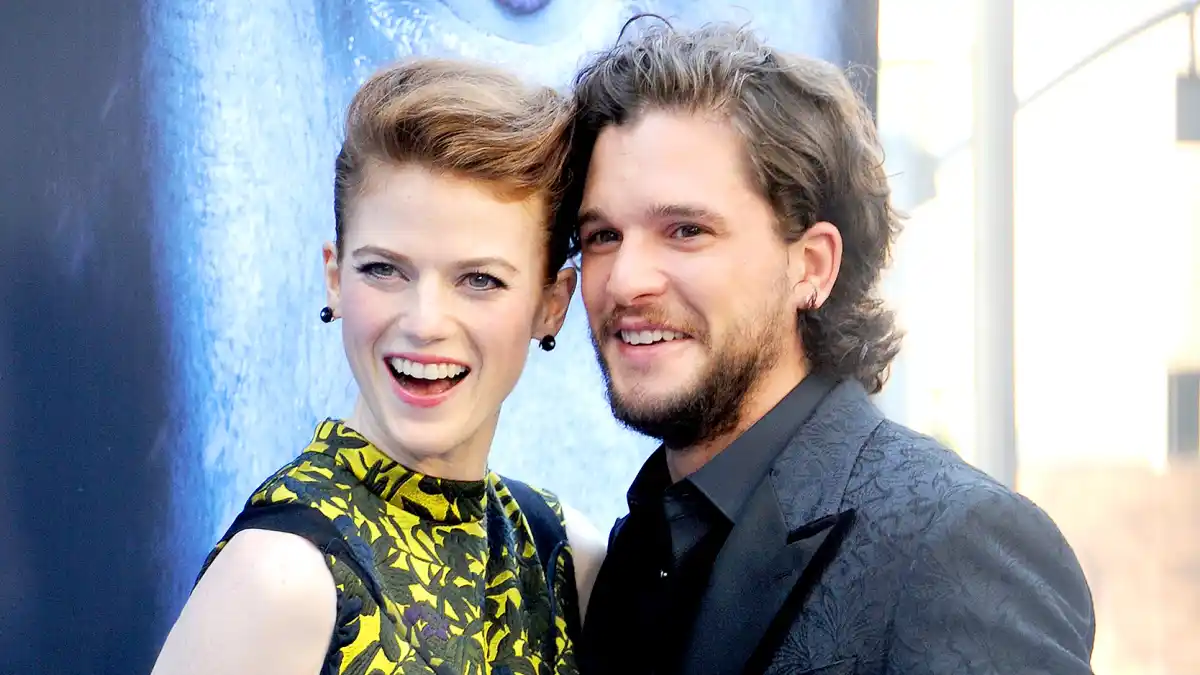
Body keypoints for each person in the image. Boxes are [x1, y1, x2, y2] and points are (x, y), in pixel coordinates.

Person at [562, 21, 1096, 675]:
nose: (625, 281)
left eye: (686, 230)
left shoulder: (953, 540)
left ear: (811, 265)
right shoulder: (626, 555)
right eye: (603, 236)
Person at [150, 57, 606, 675]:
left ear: (552, 305)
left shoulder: (563, 557)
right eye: (384, 270)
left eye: (479, 279)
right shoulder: (277, 580)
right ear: (335, 278)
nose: (425, 322)